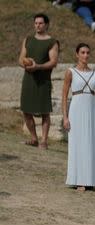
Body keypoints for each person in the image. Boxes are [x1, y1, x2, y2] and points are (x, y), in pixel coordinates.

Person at [62, 43, 95, 191]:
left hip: (91, 111)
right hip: (76, 111)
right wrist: (65, 117)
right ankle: (78, 179)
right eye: (83, 52)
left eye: (87, 53)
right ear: (77, 54)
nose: (85, 55)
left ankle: (90, 179)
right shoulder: (70, 72)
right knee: (77, 144)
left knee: (91, 144)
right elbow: (64, 96)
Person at [19, 13, 59, 150]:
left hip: (43, 80)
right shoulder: (28, 39)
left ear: (46, 25)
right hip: (28, 79)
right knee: (26, 110)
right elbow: (21, 59)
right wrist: (26, 65)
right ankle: (34, 138)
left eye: (40, 23)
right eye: (36, 23)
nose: (38, 25)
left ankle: (44, 141)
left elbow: (53, 62)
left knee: (44, 111)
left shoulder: (52, 42)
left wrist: (38, 67)